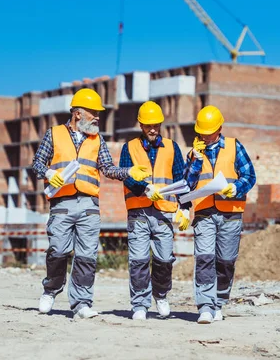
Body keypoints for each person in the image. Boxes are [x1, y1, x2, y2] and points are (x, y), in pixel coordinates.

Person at [31, 88, 151, 319]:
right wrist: (48, 173)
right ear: (77, 113)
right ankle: (51, 289)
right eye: (93, 112)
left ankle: (82, 303)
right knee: (58, 251)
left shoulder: (98, 140)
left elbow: (108, 169)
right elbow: (37, 163)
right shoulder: (54, 134)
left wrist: (130, 172)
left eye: (99, 113)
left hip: (89, 205)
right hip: (62, 203)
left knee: (87, 256)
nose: (98, 116)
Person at [184, 105, 256, 324]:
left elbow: (249, 176)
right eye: (201, 133)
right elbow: (187, 184)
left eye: (208, 133)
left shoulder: (235, 147)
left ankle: (219, 302)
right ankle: (205, 306)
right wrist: (195, 160)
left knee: (225, 261)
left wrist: (235, 188)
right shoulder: (195, 152)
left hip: (230, 213)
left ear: (219, 129)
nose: (204, 137)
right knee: (205, 258)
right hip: (204, 212)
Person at [119, 101, 191, 320]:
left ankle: (160, 295)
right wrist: (145, 189)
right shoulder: (129, 147)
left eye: (156, 125)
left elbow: (182, 179)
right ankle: (140, 304)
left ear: (160, 125)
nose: (152, 129)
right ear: (141, 125)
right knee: (139, 260)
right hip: (138, 212)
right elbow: (126, 175)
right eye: (148, 125)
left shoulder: (172, 147)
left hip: (163, 213)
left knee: (164, 259)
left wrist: (185, 208)